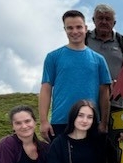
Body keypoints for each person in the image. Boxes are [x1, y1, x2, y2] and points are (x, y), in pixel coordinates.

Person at [39, 10, 112, 141]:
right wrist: (44, 121)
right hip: (61, 122)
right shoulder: (53, 57)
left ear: (85, 28)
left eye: (78, 27)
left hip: (90, 122)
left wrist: (104, 123)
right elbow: (46, 89)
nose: (74, 31)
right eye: (70, 28)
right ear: (65, 29)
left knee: (91, 162)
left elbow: (104, 94)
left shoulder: (99, 60)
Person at [85, 4, 123, 110]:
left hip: (115, 101)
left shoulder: (122, 42)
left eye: (108, 19)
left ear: (114, 23)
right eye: (100, 18)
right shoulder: (85, 39)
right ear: (93, 20)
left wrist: (120, 83)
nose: (104, 22)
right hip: (88, 102)